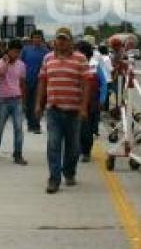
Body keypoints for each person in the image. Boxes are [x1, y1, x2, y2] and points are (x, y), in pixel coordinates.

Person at [35, 28, 89, 194]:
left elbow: (87, 84)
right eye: (59, 39)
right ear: (55, 41)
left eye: (65, 39)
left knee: (73, 148)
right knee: (53, 145)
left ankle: (69, 172)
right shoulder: (47, 58)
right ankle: (54, 179)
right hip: (54, 110)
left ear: (70, 41)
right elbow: (43, 82)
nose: (61, 42)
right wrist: (38, 104)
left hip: (73, 112)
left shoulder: (80, 59)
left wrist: (83, 107)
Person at [0, 39, 27, 165]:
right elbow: (1, 73)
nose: (16, 54)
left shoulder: (22, 65)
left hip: (17, 99)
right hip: (3, 100)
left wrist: (23, 99)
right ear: (8, 50)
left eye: (18, 52)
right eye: (14, 51)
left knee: (18, 128)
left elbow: (22, 83)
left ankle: (18, 154)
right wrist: (6, 62)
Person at [77, 41, 107, 163]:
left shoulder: (95, 65)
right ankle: (78, 150)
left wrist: (102, 99)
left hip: (92, 102)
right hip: (76, 101)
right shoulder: (74, 64)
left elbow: (104, 84)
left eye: (82, 52)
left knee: (87, 130)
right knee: (77, 129)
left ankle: (86, 152)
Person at [21, 30, 48, 134]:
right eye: (35, 37)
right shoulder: (26, 50)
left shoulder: (46, 52)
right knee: (28, 104)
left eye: (39, 37)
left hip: (40, 82)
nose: (37, 39)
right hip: (27, 81)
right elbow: (21, 64)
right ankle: (30, 124)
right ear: (31, 39)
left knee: (38, 104)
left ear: (42, 39)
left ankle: (36, 125)